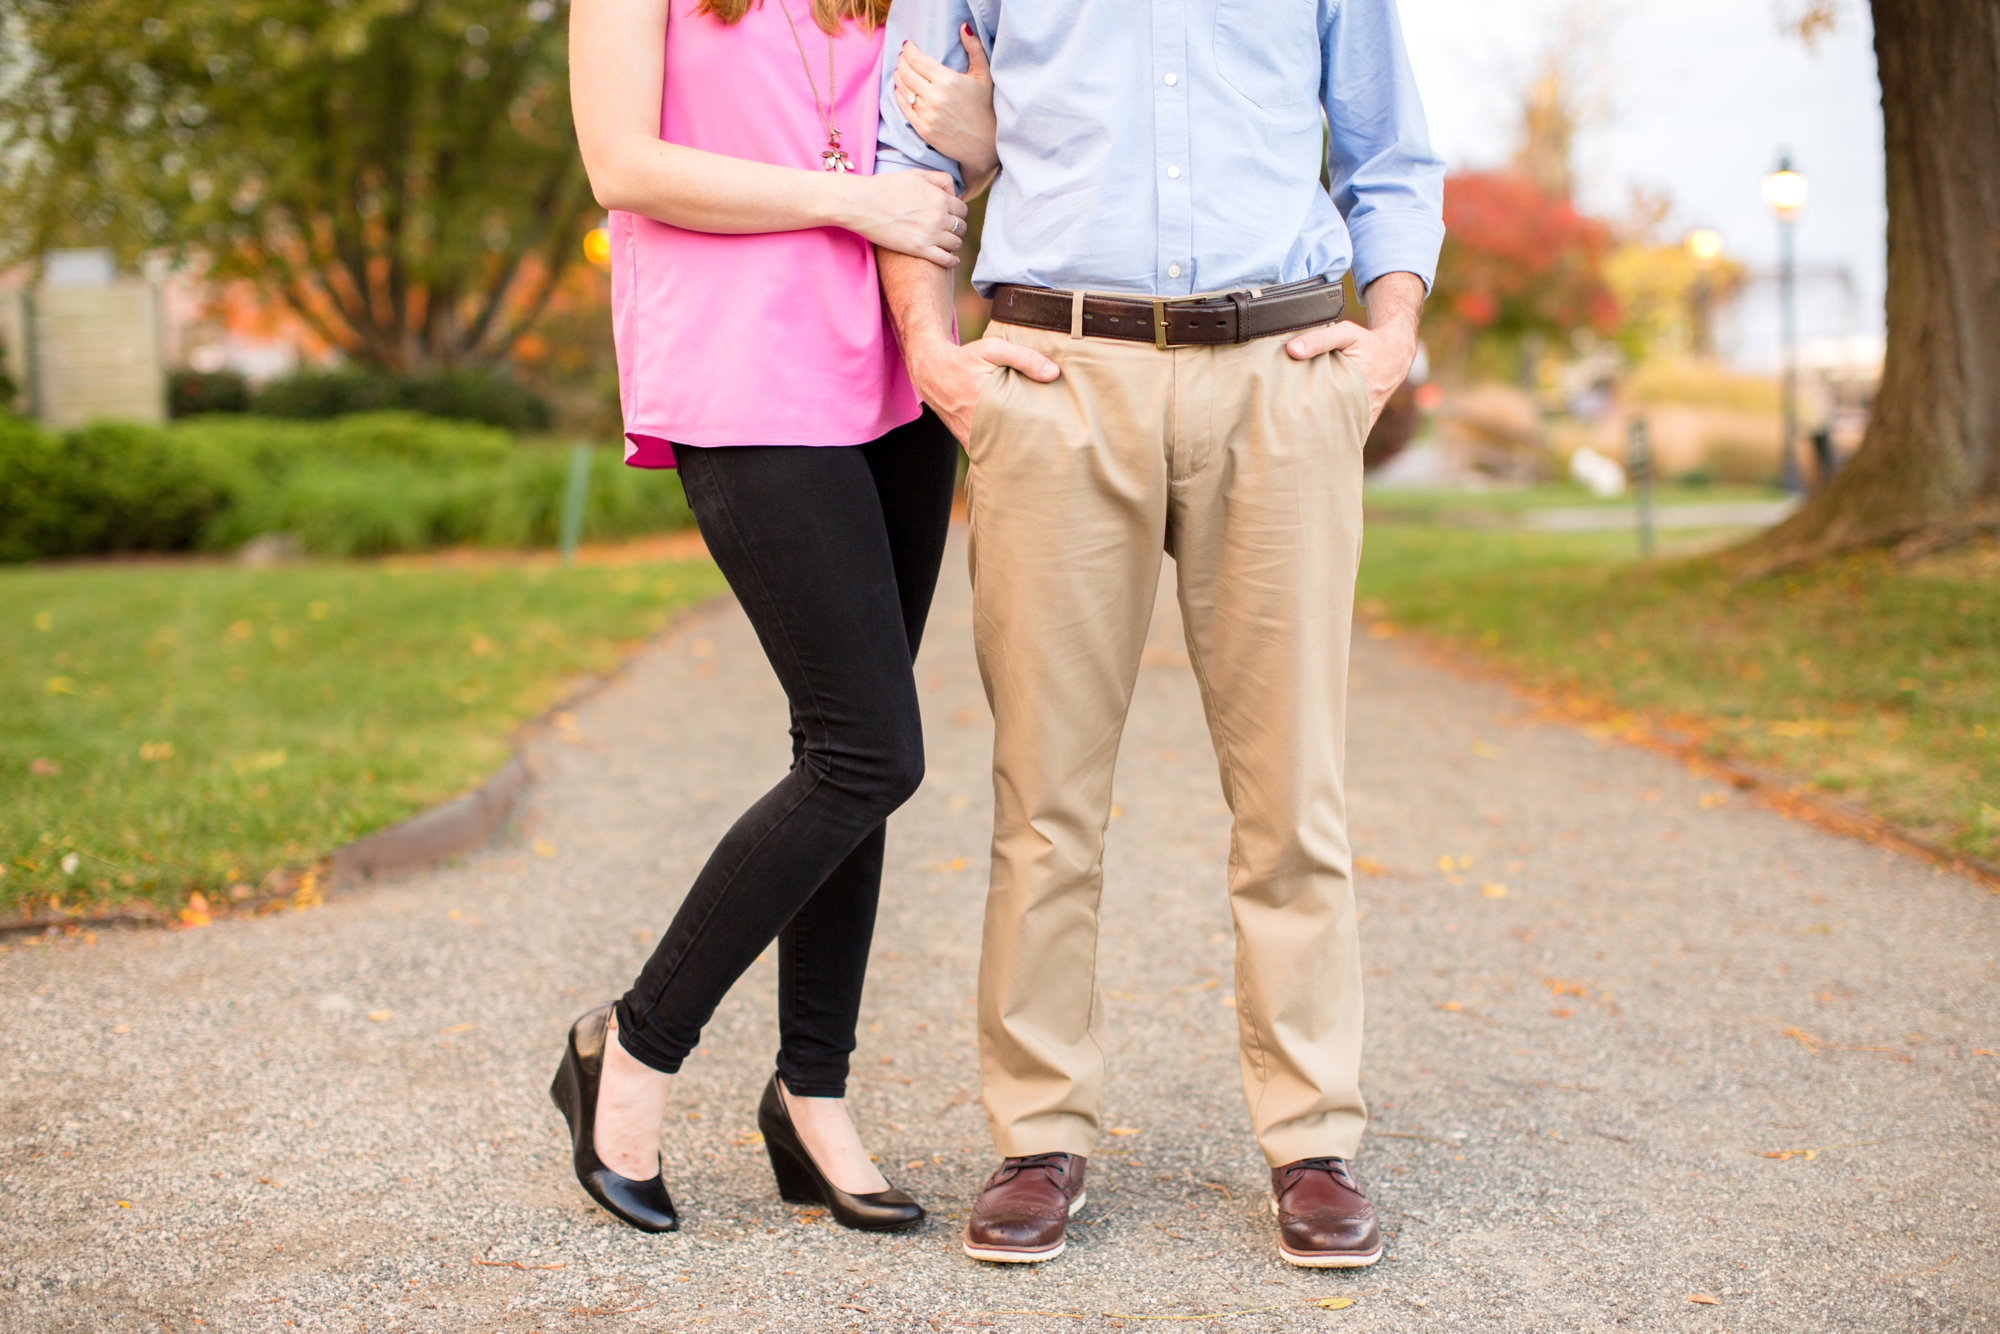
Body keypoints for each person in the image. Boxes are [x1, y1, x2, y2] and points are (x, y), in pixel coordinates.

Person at [877, 0, 1446, 1268]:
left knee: (1293, 792)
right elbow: (908, 152)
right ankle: (1036, 1131)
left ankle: (1312, 1138)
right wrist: (934, 350)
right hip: (1053, 374)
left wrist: (1388, 338)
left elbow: (1388, 156)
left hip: (1280, 368)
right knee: (1044, 794)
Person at [552, 0, 999, 1235]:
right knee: (868, 751)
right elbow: (621, 164)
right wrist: (852, 202)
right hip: (741, 373)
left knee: (849, 758)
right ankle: (628, 1049)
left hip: (893, 382)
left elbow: (941, 161)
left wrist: (978, 142)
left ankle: (812, 1095)